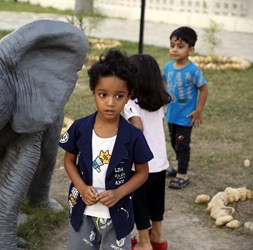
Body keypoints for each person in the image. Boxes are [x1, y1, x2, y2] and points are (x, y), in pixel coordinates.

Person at [58, 49, 153, 250]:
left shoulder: (133, 135)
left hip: (118, 214)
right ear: (94, 93)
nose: (110, 102)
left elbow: (143, 172)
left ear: (128, 97)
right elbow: (68, 161)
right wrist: (82, 188)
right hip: (83, 212)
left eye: (119, 96)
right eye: (103, 95)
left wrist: (119, 193)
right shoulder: (80, 128)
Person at [123, 54, 170, 250]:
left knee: (139, 203)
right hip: (160, 162)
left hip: (140, 165)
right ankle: (157, 237)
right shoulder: (158, 102)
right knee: (156, 201)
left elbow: (138, 127)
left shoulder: (130, 103)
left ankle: (144, 242)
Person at [163, 26, 208, 189]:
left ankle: (182, 173)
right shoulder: (168, 67)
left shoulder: (193, 71)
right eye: (172, 46)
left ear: (191, 50)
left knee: (182, 144)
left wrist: (198, 111)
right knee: (174, 143)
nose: (175, 50)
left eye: (180, 47)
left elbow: (203, 89)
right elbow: (163, 84)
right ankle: (178, 167)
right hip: (172, 114)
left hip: (186, 116)